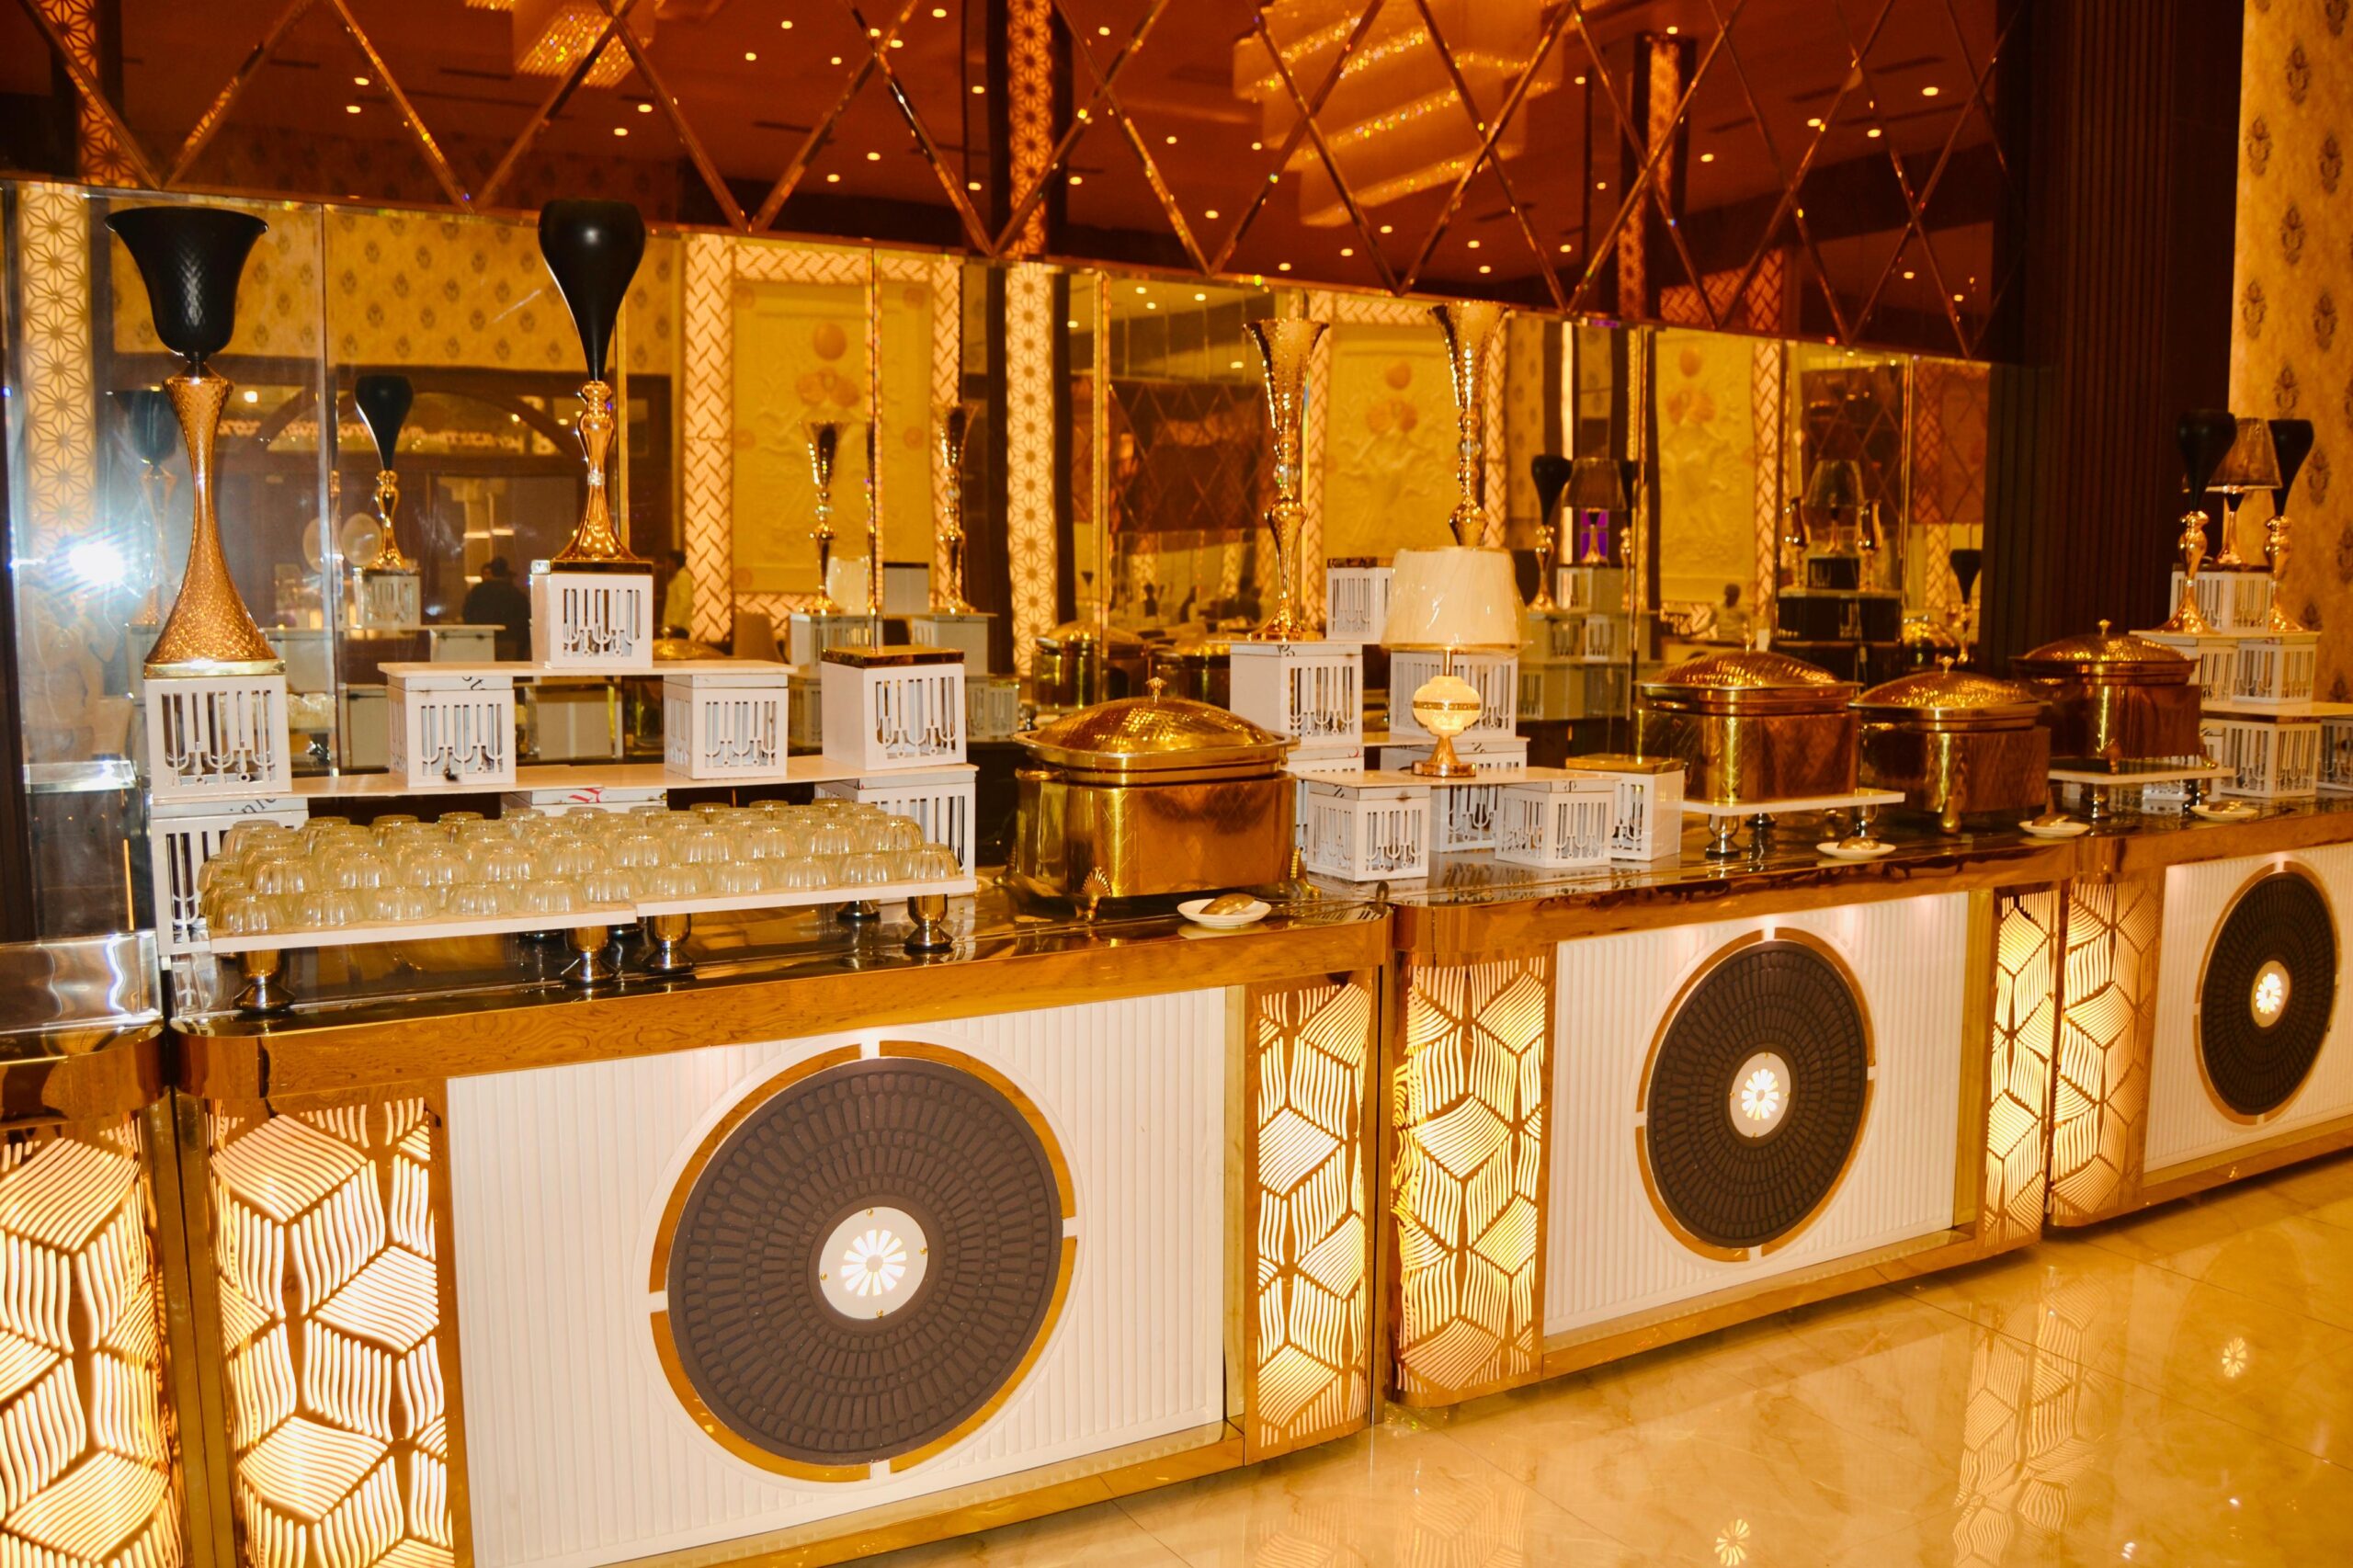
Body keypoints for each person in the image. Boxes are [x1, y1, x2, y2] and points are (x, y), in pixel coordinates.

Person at [462, 556, 532, 661]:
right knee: (507, 669)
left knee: (484, 669)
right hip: (509, 640)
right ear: (505, 571)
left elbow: (467, 614)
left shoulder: (477, 591)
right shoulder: (515, 593)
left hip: (482, 638)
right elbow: (524, 620)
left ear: (492, 571)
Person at [662, 548, 695, 638]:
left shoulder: (683, 577)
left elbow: (684, 603)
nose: (667, 564)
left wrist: (674, 624)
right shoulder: (677, 578)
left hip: (679, 628)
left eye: (668, 561)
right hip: (673, 628)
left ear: (674, 562)